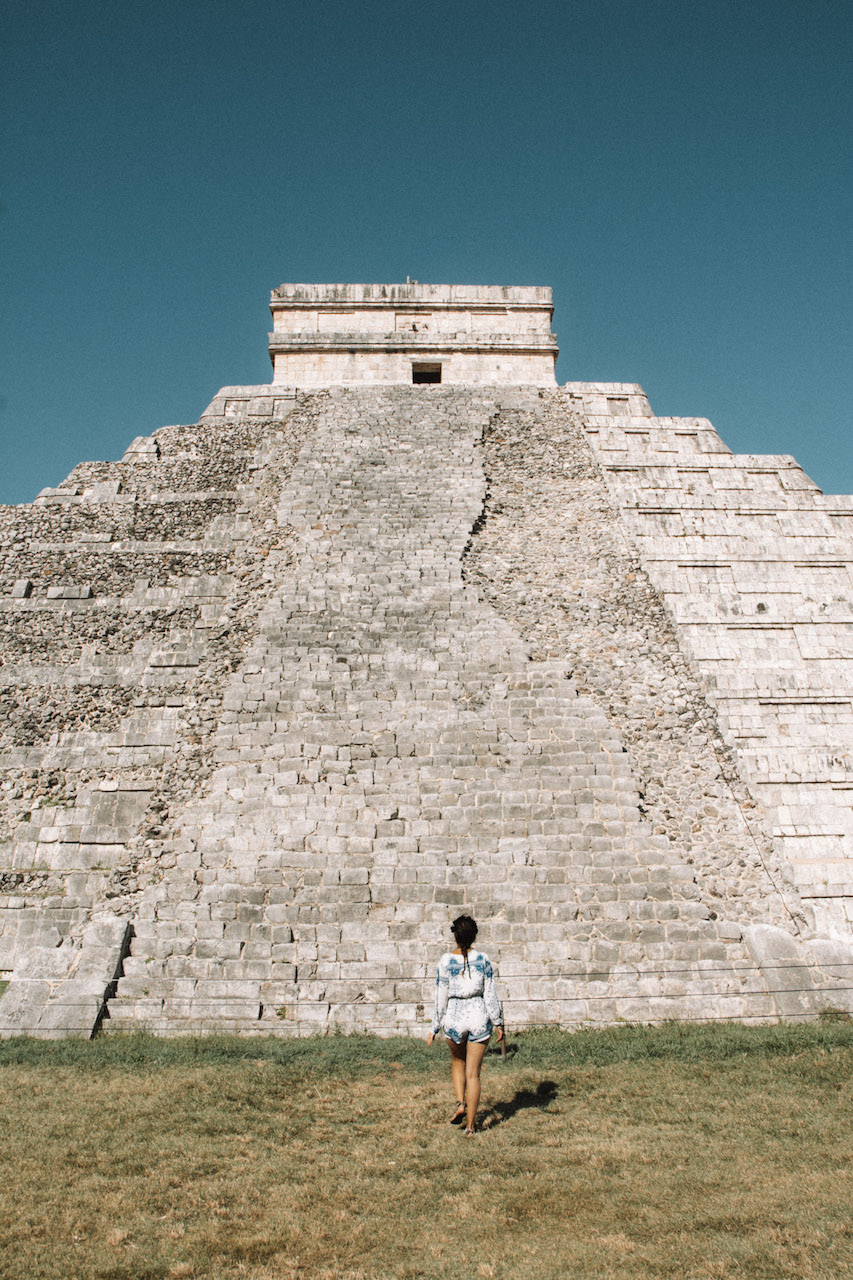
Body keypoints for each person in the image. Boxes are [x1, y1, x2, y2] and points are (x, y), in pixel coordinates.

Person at [427, 914, 504, 1135]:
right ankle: (471, 1126)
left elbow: (440, 996)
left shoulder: (445, 961)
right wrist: (498, 1022)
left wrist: (434, 1027)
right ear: (474, 936)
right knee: (474, 1074)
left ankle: (460, 1103)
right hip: (478, 1015)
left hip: (454, 1016)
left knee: (457, 1062)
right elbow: (490, 993)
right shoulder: (483, 959)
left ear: (455, 936)